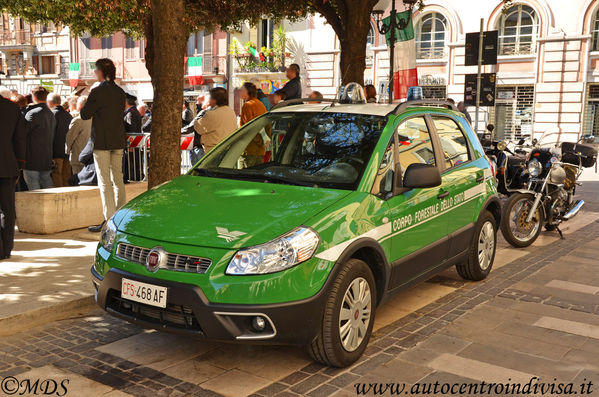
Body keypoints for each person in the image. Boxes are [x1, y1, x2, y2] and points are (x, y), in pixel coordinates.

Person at [80, 58, 126, 232]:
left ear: (100, 72)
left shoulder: (98, 91)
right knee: (118, 179)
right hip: (118, 140)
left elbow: (85, 114)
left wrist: (88, 97)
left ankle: (108, 221)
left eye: (95, 70)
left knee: (105, 182)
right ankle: (120, 217)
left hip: (102, 141)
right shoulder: (120, 92)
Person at [0, 95, 26, 260]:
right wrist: (19, 163)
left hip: (8, 164)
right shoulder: (11, 108)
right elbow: (20, 139)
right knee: (8, 210)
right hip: (8, 164)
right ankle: (6, 249)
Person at [23, 86, 55, 190]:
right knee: (46, 181)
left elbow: (23, 134)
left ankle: (38, 207)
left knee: (33, 184)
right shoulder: (50, 113)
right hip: (46, 155)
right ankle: (52, 205)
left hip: (32, 157)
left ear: (34, 97)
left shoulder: (32, 113)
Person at [192, 87, 237, 161]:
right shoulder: (231, 112)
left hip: (212, 151)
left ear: (215, 100)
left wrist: (200, 113)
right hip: (227, 150)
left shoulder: (211, 114)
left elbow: (199, 128)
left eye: (210, 98)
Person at [48, 93, 73, 187]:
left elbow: (50, 133)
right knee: (66, 176)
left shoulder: (51, 114)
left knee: (56, 176)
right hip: (67, 151)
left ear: (50, 102)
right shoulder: (68, 115)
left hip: (55, 151)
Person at [240, 82, 268, 167]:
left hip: (250, 148)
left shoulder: (247, 105)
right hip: (260, 150)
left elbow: (249, 127)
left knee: (246, 177)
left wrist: (258, 141)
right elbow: (267, 125)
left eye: (242, 90)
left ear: (247, 92)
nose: (240, 92)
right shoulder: (260, 104)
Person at [66, 96, 92, 175]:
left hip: (78, 155)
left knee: (77, 179)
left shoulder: (78, 120)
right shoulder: (95, 118)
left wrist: (67, 151)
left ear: (80, 105)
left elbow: (69, 138)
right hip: (90, 155)